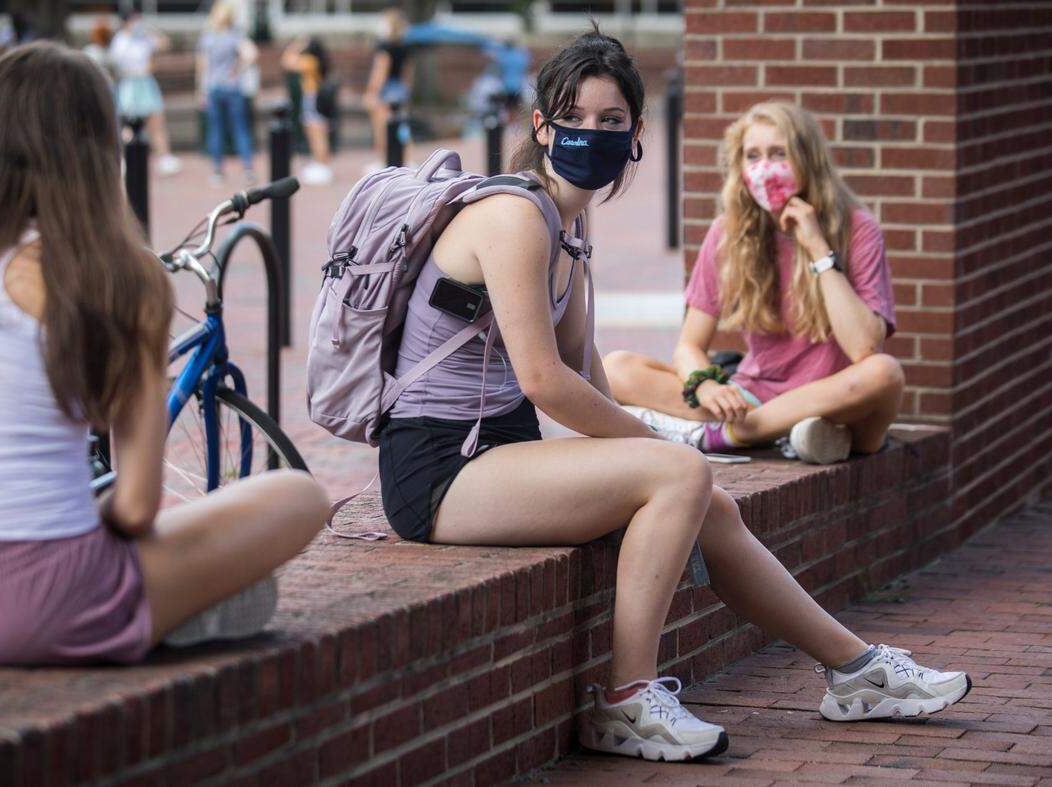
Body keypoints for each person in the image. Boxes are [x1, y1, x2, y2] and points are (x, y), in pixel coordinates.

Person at [376, 29, 970, 762]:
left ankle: (856, 670)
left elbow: (580, 361)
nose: (590, 134)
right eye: (574, 118)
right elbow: (543, 380)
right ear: (539, 126)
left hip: (492, 454)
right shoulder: (513, 216)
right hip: (437, 470)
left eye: (611, 122)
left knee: (704, 497)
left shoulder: (568, 220)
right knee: (681, 471)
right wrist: (655, 451)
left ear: (635, 135)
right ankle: (626, 700)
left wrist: (654, 465)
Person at [0, 43, 329, 666]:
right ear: (99, 151)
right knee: (300, 497)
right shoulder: (116, 276)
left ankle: (169, 606)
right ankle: (172, 609)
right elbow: (136, 507)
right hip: (42, 604)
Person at [603, 101, 904, 465]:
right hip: (754, 397)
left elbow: (864, 348)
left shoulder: (857, 228)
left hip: (834, 400)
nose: (765, 169)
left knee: (884, 373)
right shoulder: (730, 233)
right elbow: (689, 346)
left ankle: (726, 436)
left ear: (808, 160)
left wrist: (818, 247)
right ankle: (785, 434)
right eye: (753, 156)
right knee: (615, 368)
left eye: (780, 154)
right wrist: (707, 385)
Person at [109, 9, 181, 176]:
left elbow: (165, 43)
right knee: (128, 124)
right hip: (130, 84)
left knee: (157, 122)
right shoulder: (120, 40)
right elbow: (119, 63)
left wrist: (151, 29)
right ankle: (126, 159)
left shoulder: (144, 38)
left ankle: (164, 158)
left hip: (146, 83)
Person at [197, 1, 257, 185]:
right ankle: (247, 169)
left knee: (216, 130)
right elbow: (252, 54)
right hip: (232, 87)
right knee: (240, 128)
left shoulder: (208, 38)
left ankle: (217, 171)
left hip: (214, 87)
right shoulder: (235, 36)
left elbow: (202, 67)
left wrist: (201, 90)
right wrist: (236, 70)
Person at [281, 36, 334, 186]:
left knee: (316, 131)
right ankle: (319, 162)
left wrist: (295, 46)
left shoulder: (310, 61)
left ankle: (322, 164)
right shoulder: (315, 60)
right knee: (314, 130)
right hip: (312, 97)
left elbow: (287, 62)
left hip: (313, 98)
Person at [363, 7, 409, 171]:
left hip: (386, 89)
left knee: (381, 126)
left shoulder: (384, 47)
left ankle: (383, 161)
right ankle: (405, 158)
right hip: (399, 88)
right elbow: (407, 73)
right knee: (400, 127)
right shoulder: (404, 47)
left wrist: (372, 92)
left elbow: (380, 71)